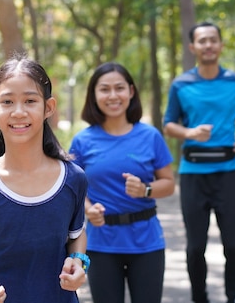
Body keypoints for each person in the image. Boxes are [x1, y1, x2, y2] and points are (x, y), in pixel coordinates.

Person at [0, 53, 90, 303]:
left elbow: (76, 233)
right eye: (7, 102)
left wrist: (79, 262)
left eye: (30, 101)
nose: (18, 112)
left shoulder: (73, 179)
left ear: (48, 108)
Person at [69, 62, 175, 303]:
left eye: (119, 88)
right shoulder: (83, 141)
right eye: (104, 89)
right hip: (101, 243)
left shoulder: (150, 136)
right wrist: (88, 209)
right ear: (94, 95)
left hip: (147, 242)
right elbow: (73, 188)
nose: (113, 95)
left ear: (131, 91)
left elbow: (168, 184)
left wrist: (145, 189)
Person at [163, 21, 235, 303]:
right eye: (202, 41)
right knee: (195, 247)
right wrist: (190, 132)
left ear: (221, 45)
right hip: (193, 174)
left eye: (213, 40)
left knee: (233, 246)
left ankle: (233, 296)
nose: (208, 45)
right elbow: (168, 125)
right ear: (193, 47)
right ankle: (199, 298)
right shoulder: (181, 84)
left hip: (230, 172)